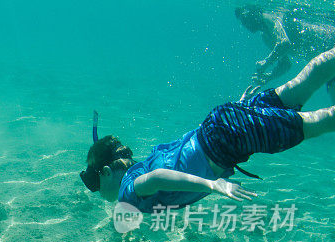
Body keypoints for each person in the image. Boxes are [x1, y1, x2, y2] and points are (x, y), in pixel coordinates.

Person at [79, 46, 335, 214]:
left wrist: (213, 185)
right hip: (221, 124)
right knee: (302, 84)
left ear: (106, 172)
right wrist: (241, 110)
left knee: (318, 122)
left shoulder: (128, 189)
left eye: (96, 186)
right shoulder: (141, 164)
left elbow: (155, 178)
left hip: (229, 140)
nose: (100, 194)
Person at [235, 4, 335, 101]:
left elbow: (285, 43)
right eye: (242, 21)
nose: (243, 23)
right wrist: (269, 76)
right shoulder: (265, 37)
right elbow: (285, 64)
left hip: (329, 44)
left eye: (244, 17)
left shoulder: (269, 18)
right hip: (325, 58)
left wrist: (266, 62)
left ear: (254, 13)